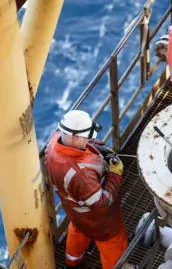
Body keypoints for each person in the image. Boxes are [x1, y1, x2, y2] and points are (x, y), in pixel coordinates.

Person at [45, 110, 128, 269]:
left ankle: (73, 261)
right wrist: (114, 173)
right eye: (87, 137)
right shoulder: (81, 175)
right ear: (75, 138)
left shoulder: (55, 142)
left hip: (75, 210)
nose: (90, 139)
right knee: (114, 246)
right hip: (100, 222)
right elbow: (100, 203)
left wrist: (97, 148)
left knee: (78, 230)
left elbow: (80, 147)